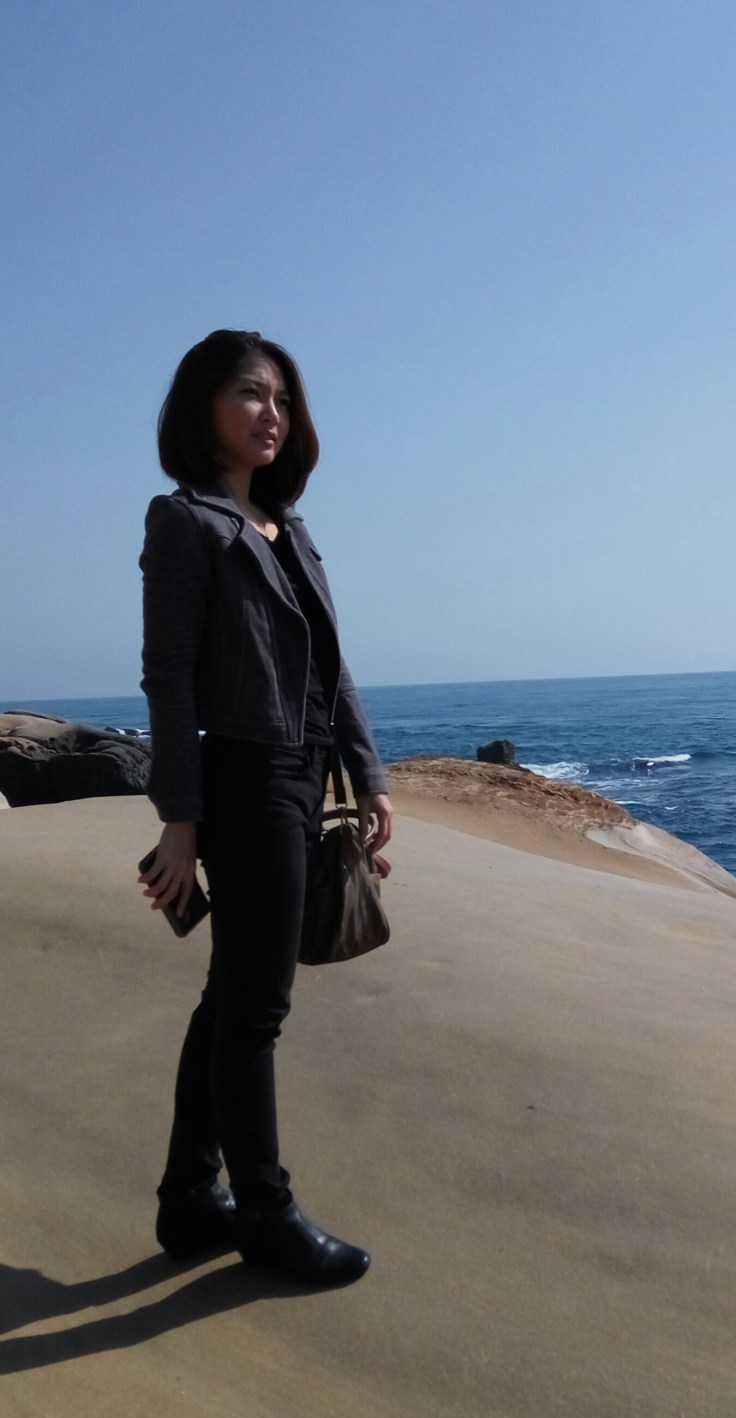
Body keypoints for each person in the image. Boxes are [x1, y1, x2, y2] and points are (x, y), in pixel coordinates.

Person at [138, 329, 392, 1284]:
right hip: (244, 778)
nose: (272, 414)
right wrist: (180, 820)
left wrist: (367, 775)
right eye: (250, 394)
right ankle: (265, 1213)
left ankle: (187, 1198)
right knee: (256, 1008)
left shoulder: (288, 527)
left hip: (300, 775)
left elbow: (332, 665)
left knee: (232, 995)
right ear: (202, 405)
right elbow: (169, 679)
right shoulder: (186, 522)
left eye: (282, 398)